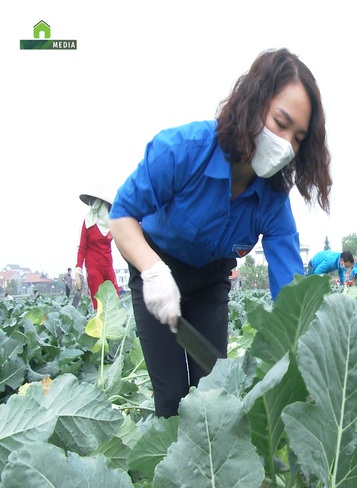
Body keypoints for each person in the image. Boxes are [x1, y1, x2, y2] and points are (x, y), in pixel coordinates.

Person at [109, 48, 332, 418]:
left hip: (211, 281)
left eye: (298, 137)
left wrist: (312, 360)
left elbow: (291, 294)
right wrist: (151, 270)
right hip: (157, 271)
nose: (287, 145)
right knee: (171, 397)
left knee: (212, 395)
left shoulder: (273, 202)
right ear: (254, 103)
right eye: (281, 123)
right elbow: (121, 216)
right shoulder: (183, 150)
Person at [76, 185, 120, 309]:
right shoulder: (88, 222)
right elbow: (82, 248)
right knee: (99, 305)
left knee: (115, 301)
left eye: (95, 201)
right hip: (93, 267)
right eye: (91, 200)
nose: (92, 204)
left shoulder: (111, 223)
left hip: (107, 265)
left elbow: (122, 242)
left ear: (102, 203)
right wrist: (78, 269)